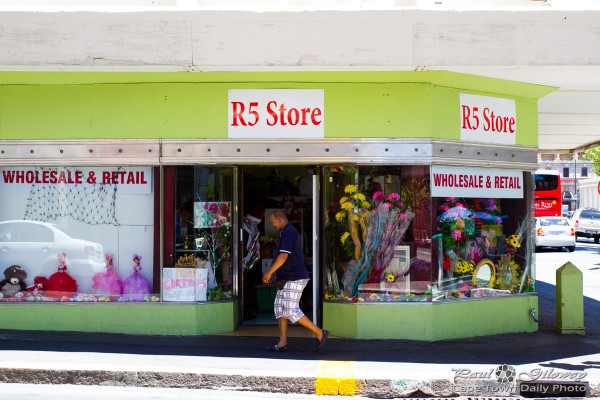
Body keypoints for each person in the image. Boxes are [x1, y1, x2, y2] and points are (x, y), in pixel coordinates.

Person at [262, 209, 328, 352]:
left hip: (295, 278)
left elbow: (283, 257)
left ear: (280, 219)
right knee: (280, 308)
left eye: (273, 222)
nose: (273, 225)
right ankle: (282, 342)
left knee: (291, 310)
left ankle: (320, 333)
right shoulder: (284, 233)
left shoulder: (290, 232)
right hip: (286, 279)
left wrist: (269, 272)